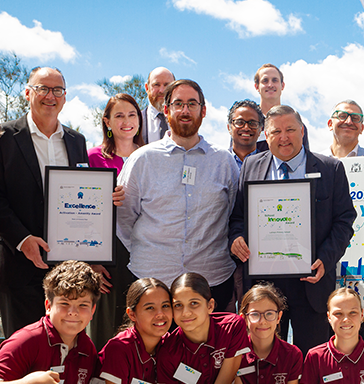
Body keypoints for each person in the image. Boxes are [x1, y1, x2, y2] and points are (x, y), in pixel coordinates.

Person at [230, 105, 356, 356]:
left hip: (311, 280)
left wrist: (326, 258)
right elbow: (238, 217)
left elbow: (344, 221)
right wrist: (236, 238)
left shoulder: (330, 168)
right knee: (265, 357)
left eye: (290, 129)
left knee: (312, 357)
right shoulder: (251, 166)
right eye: (276, 131)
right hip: (264, 281)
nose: (284, 137)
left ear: (302, 130)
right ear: (266, 135)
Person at [117, 79, 240, 310]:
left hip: (212, 280)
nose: (185, 110)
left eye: (192, 104)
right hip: (153, 282)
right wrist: (149, 253)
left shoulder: (223, 161)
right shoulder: (142, 160)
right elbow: (124, 219)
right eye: (178, 103)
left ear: (203, 111)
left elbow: (233, 213)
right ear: (166, 110)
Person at [0, 67, 90, 336]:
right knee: (21, 348)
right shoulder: (1, 138)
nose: (50, 96)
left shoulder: (76, 141)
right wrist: (23, 239)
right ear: (27, 93)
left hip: (65, 266)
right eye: (43, 88)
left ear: (65, 97)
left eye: (57, 90)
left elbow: (84, 194)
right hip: (16, 262)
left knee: (62, 347)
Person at [86, 93, 144, 348]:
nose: (126, 121)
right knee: (106, 328)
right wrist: (93, 261)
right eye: (119, 115)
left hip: (145, 250)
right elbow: (80, 210)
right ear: (107, 122)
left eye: (132, 115)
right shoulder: (92, 158)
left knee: (140, 324)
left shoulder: (150, 157)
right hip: (108, 253)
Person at [234, 283, 303, 384]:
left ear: (279, 317)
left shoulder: (293, 354)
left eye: (269, 314)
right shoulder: (234, 354)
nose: (262, 321)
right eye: (255, 314)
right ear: (244, 319)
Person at [227, 99, 265, 171]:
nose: (246, 128)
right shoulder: (218, 162)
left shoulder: (270, 164)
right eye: (239, 122)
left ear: (260, 129)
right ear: (229, 128)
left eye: (252, 123)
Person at [142, 67, 175, 144]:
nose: (162, 90)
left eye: (167, 85)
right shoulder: (136, 121)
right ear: (147, 88)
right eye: (156, 85)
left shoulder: (183, 120)